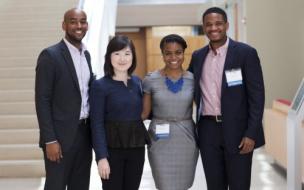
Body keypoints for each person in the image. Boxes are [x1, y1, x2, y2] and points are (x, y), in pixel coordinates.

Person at [188, 7, 265, 190]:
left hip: (239, 132)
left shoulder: (246, 53)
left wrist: (251, 133)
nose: (214, 28)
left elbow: (257, 96)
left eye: (218, 24)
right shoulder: (198, 57)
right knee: (214, 185)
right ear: (204, 27)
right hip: (208, 131)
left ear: (226, 25)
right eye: (209, 24)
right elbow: (187, 87)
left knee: (239, 185)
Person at [35, 8, 93, 190]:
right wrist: (49, 140)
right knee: (56, 186)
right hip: (59, 138)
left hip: (85, 135)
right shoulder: (50, 56)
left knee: (81, 185)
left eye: (82, 21)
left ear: (87, 25)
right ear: (64, 25)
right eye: (73, 21)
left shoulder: (87, 56)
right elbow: (42, 100)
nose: (78, 26)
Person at [90, 35, 150, 190]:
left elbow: (143, 112)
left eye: (127, 54)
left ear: (133, 57)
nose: (122, 59)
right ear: (109, 57)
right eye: (117, 53)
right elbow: (96, 124)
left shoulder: (137, 82)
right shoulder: (100, 86)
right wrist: (101, 157)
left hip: (136, 149)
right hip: (112, 151)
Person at [142, 34, 199, 190]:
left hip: (186, 139)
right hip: (159, 140)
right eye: (168, 53)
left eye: (178, 52)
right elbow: (144, 113)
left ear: (184, 53)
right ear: (163, 54)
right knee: (163, 184)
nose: (173, 57)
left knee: (183, 185)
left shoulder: (193, 79)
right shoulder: (150, 79)